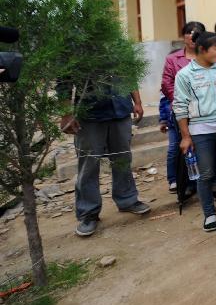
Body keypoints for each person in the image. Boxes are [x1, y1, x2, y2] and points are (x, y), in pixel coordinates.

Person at [60, 82, 150, 237]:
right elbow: (63, 85)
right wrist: (67, 114)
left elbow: (129, 74)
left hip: (120, 111)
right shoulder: (74, 56)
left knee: (123, 159)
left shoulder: (122, 56)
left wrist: (138, 102)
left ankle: (127, 200)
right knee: (89, 165)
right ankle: (88, 213)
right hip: (90, 116)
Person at [173, 31, 216, 233]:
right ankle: (209, 213)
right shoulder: (184, 75)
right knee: (204, 174)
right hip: (200, 131)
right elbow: (179, 106)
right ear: (203, 49)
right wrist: (186, 136)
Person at [161, 21, 205, 191]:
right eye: (189, 32)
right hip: (181, 110)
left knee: (202, 146)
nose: (192, 36)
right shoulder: (173, 58)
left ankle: (204, 181)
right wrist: (181, 100)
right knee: (177, 146)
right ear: (183, 36)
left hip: (204, 110)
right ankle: (178, 180)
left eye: (196, 33)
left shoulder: (211, 55)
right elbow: (167, 83)